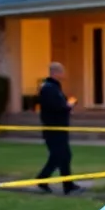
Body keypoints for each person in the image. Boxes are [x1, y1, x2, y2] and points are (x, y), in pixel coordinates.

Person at [36, 62, 80, 195]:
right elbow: (56, 106)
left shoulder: (55, 88)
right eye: (62, 71)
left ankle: (68, 185)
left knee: (65, 156)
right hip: (53, 128)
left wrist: (67, 107)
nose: (64, 74)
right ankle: (42, 179)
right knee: (58, 156)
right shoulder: (49, 88)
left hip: (60, 127)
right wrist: (68, 106)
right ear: (55, 72)